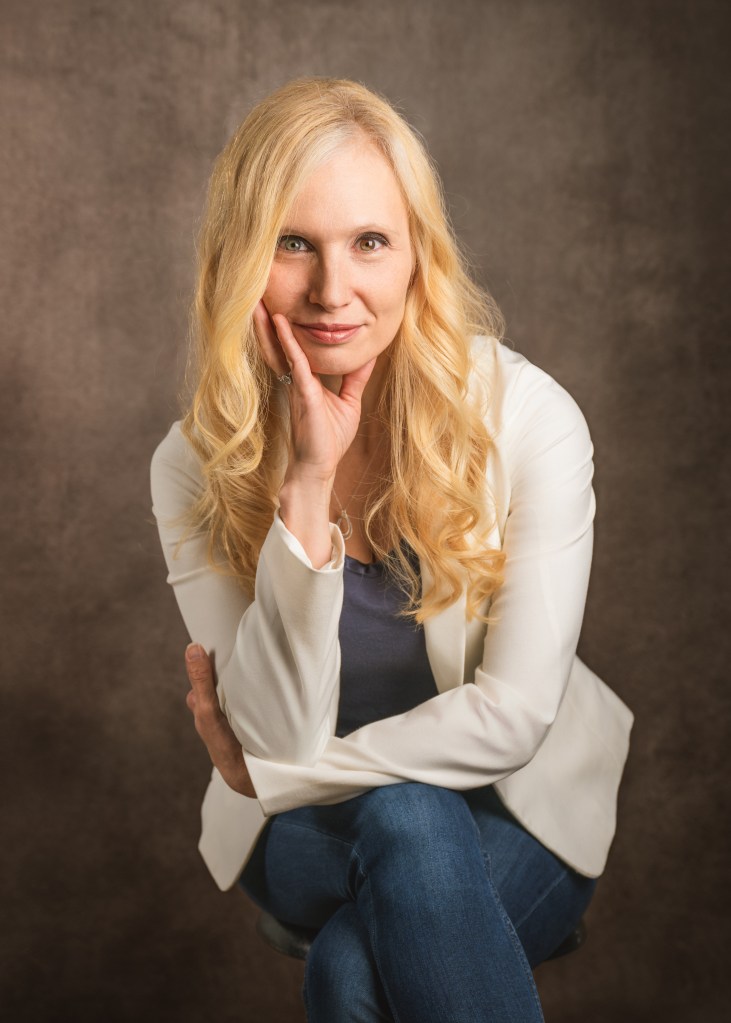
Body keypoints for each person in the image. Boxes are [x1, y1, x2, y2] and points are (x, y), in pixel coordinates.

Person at [151, 77, 634, 1023]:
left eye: (369, 241)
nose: (335, 291)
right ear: (241, 257)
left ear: (418, 253)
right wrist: (303, 489)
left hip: (516, 806)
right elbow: (279, 737)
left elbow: (511, 717)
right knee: (402, 814)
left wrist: (284, 767)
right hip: (298, 832)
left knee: (351, 967)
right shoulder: (190, 462)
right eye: (294, 243)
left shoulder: (527, 419)